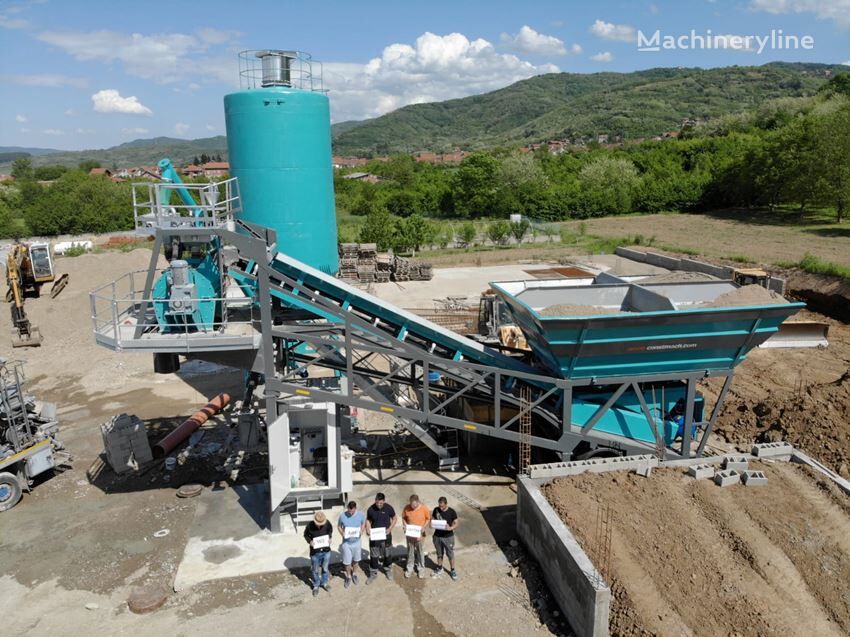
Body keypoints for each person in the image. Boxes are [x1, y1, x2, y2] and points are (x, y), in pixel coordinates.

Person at [365, 492, 397, 583]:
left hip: (386, 536)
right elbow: (368, 520)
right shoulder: (370, 509)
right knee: (374, 556)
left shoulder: (389, 508)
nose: (379, 505)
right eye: (377, 503)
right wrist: (368, 529)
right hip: (375, 537)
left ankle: (387, 570)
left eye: (381, 503)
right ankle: (373, 573)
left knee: (387, 554)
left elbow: (394, 518)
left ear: (384, 501)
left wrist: (390, 528)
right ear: (375, 500)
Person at [303, 511, 333, 596]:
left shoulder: (327, 524)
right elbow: (305, 535)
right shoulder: (310, 525)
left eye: (321, 523)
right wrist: (310, 541)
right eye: (318, 523)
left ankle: (324, 583)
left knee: (325, 568)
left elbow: (330, 531)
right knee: (315, 570)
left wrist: (330, 538)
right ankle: (316, 585)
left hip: (326, 551)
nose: (319, 525)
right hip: (315, 552)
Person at [337, 500, 365, 589]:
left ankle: (355, 574)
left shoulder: (361, 515)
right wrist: (342, 533)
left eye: (352, 511)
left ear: (355, 509)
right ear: (347, 508)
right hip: (346, 543)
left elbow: (363, 523)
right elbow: (338, 526)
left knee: (356, 560)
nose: (350, 513)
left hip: (357, 542)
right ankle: (348, 576)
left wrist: (362, 530)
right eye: (349, 511)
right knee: (347, 561)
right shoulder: (342, 516)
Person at [402, 494, 431, 579]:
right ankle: (409, 568)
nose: (413, 507)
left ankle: (421, 569)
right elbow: (403, 517)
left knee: (420, 552)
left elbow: (428, 519)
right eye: (411, 504)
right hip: (410, 535)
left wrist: (424, 527)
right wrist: (405, 525)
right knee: (410, 552)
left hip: (420, 536)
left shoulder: (424, 508)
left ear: (418, 502)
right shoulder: (406, 508)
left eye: (414, 505)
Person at [431, 496, 459, 580]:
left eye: (442, 506)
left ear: (446, 504)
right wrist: (431, 524)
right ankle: (440, 567)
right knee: (439, 553)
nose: (440, 508)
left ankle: (453, 570)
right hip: (437, 536)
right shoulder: (436, 510)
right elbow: (432, 519)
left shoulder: (452, 512)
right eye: (439, 505)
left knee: (450, 554)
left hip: (448, 537)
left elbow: (457, 523)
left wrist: (450, 528)